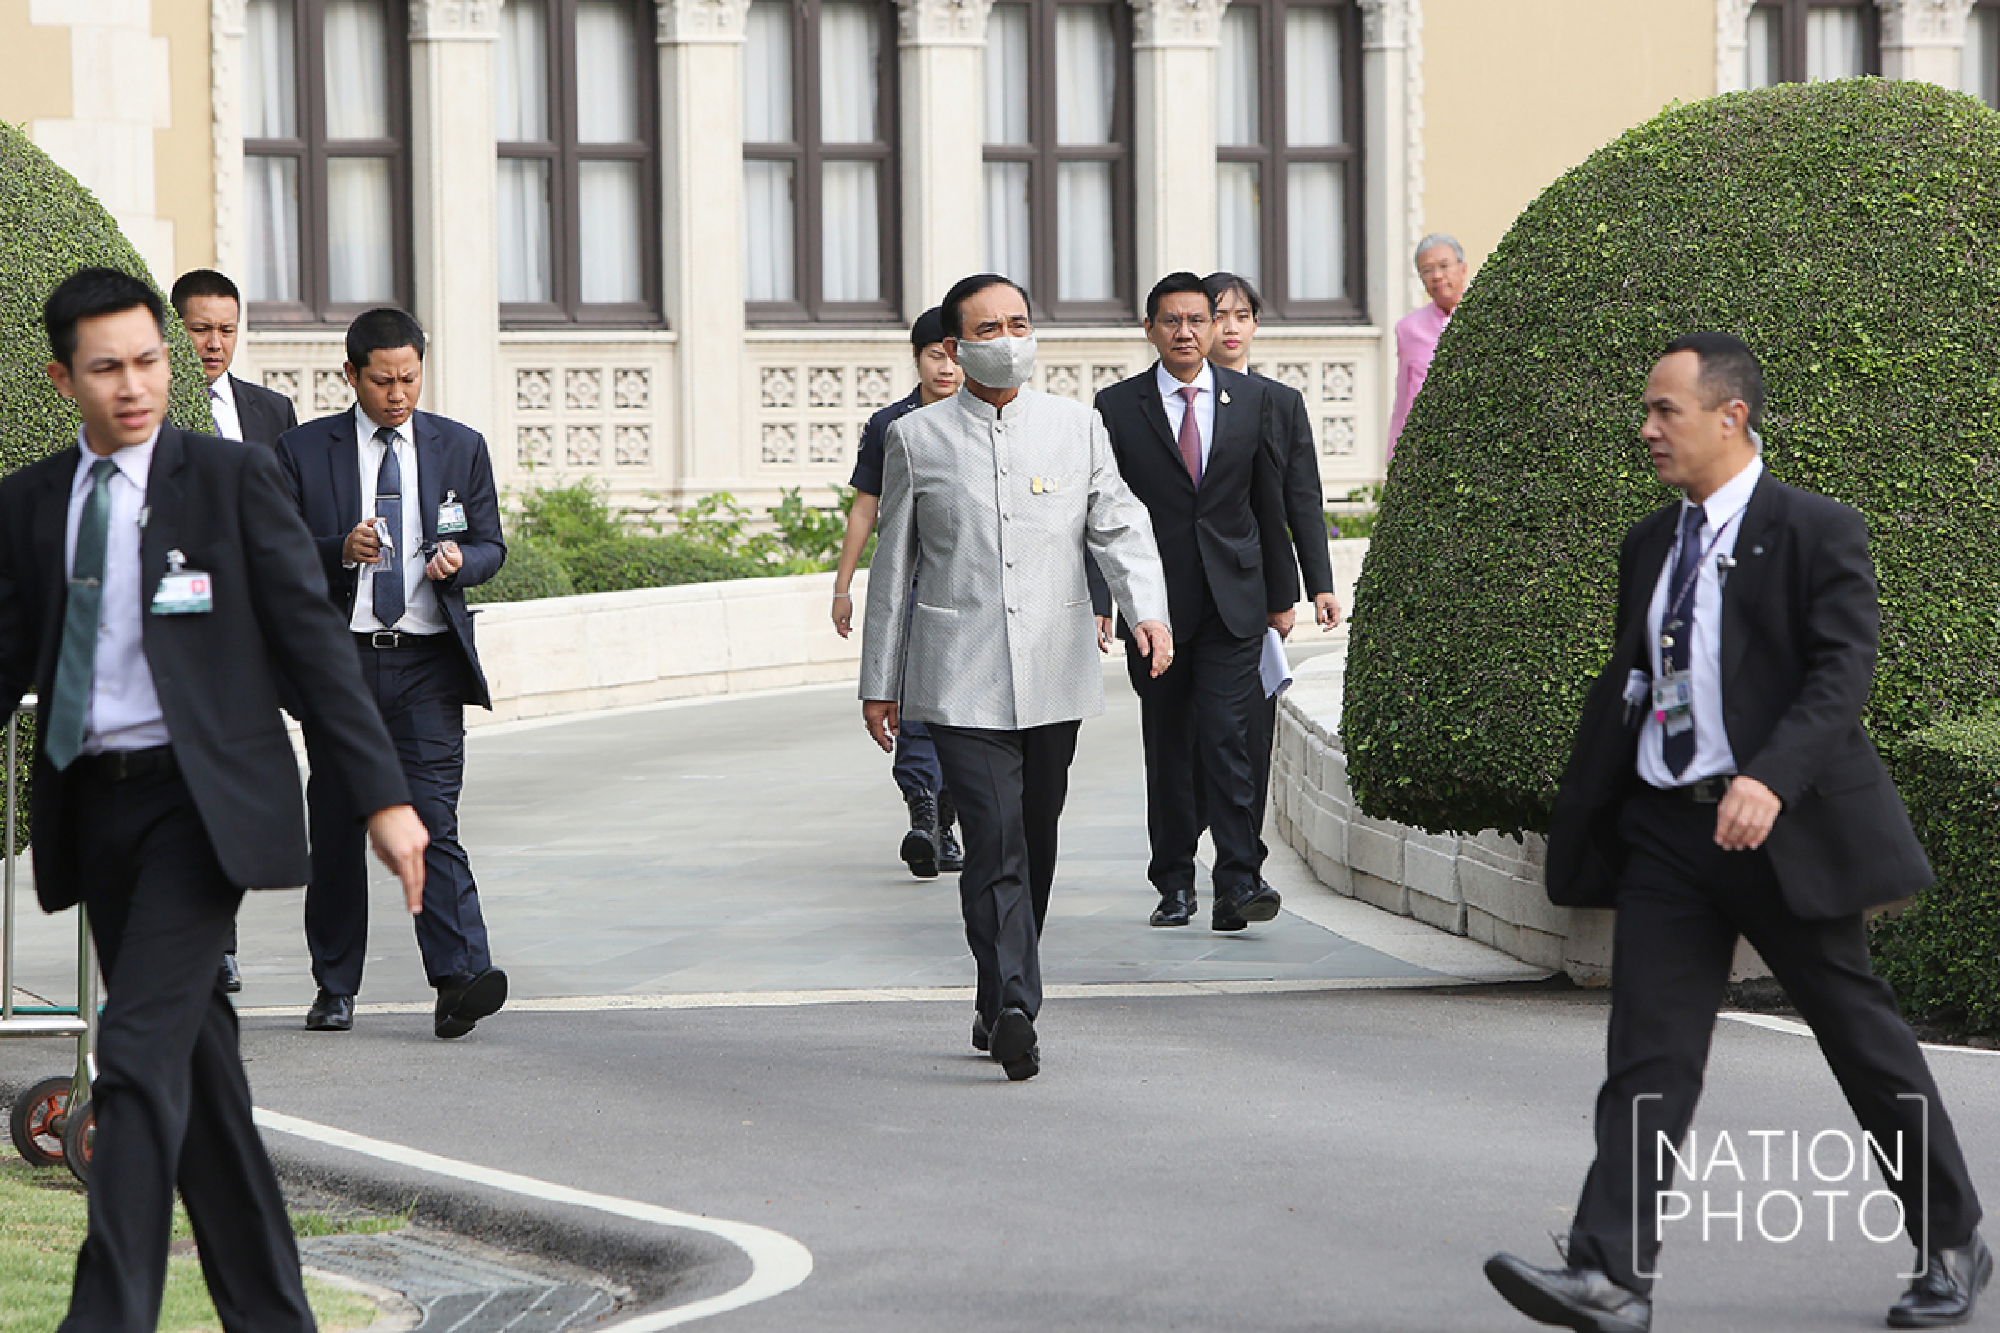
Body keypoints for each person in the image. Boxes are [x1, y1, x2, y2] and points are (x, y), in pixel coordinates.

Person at [1484, 334, 1988, 1333]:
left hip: (1777, 830)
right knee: (1647, 1055)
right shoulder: (1648, 544)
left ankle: (1949, 1239)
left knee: (1861, 1040)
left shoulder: (1813, 529)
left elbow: (1841, 671)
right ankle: (1610, 1275)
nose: (1646, 429)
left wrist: (1769, 777)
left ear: (1731, 416)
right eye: (1646, 410)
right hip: (1667, 834)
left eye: (1663, 410)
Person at [0, 266, 427, 1333]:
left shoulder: (231, 480)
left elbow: (312, 645)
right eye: (107, 367)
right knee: (205, 1089)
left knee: (136, 1051)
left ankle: (105, 1318)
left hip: (201, 812)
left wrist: (382, 796)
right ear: (62, 379)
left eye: (149, 360)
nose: (134, 384)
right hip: (97, 814)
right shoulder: (31, 504)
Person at [859, 273, 1171, 1081]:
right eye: (988, 329)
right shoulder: (916, 437)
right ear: (955, 347)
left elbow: (1118, 523)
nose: (1007, 340)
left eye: (1019, 323)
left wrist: (1147, 610)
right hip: (958, 675)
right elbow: (893, 568)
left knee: (1034, 836)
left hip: (1053, 669)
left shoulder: (1077, 425)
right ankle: (1016, 1009)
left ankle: (994, 986)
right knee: (994, 835)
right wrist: (879, 679)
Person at [276, 307, 510, 1039]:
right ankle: (335, 985)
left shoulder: (460, 447)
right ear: (351, 374)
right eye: (383, 380)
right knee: (338, 825)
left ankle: (460, 978)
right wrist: (337, 549)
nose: (398, 393)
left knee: (433, 819)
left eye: (410, 377)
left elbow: (491, 545)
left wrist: (460, 560)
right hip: (341, 665)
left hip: (427, 663)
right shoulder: (301, 450)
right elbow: (274, 549)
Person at [1092, 272, 1297, 933]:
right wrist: (1102, 598)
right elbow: (1097, 511)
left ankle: (1239, 879)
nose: (1185, 332)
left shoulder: (1252, 400)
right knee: (1170, 745)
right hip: (1155, 608)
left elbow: (1268, 502)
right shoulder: (1117, 407)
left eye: (1197, 320)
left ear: (1212, 326)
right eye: (1171, 321)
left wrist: (1282, 595)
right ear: (1150, 329)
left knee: (1228, 735)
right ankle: (1174, 881)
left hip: (1234, 602)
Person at [170, 266, 301, 994]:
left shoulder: (271, 411)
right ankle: (200, 945)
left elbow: (289, 518)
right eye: (200, 329)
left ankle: (219, 943)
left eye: (226, 329)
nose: (214, 343)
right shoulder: (148, 408)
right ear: (174, 329)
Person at [1201, 270, 1343, 863]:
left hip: (1257, 589)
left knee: (1252, 727)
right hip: (1190, 590)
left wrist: (1317, 587)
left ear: (1256, 323)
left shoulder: (1280, 403)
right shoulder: (1174, 406)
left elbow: (1299, 500)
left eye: (1242, 315)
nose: (1230, 328)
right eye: (1218, 316)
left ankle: (1241, 853)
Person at [831, 307, 964, 878]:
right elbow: (865, 509)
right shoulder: (890, 424)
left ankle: (946, 822)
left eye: (954, 357)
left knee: (960, 704)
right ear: (917, 358)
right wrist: (843, 587)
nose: (946, 369)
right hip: (910, 584)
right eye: (935, 356)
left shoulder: (983, 418)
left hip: (967, 584)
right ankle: (923, 813)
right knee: (912, 701)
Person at [1386, 233, 1468, 462]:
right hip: (1428, 449)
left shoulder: (1489, 318)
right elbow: (1404, 396)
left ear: (1462, 269)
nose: (1437, 276)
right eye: (1427, 270)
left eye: (1444, 266)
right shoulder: (1408, 328)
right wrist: (1395, 454)